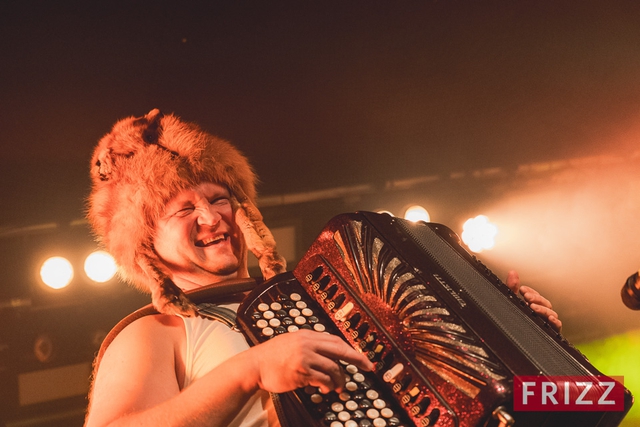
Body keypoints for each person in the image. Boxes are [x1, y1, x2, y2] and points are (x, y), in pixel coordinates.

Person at [83, 109, 562, 427]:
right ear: (146, 243)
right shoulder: (156, 332)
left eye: (218, 198)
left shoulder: (324, 299)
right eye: (182, 210)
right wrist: (249, 370)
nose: (211, 218)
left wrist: (508, 338)